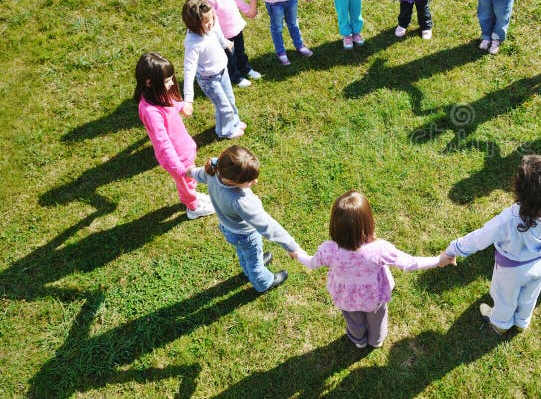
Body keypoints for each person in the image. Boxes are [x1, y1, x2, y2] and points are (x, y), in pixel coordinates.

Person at [292, 191, 453, 348]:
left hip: (345, 297)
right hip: (374, 297)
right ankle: (376, 341)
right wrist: (438, 260)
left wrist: (298, 254)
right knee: (378, 320)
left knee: (354, 321)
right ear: (368, 223)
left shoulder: (328, 250)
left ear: (335, 225)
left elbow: (312, 263)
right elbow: (410, 263)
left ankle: (358, 340)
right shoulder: (379, 249)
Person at [445, 155, 541, 334]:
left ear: (520, 190)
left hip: (510, 271)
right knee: (529, 297)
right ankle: (521, 322)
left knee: (505, 299)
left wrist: (453, 249)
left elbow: (479, 238)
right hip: (539, 265)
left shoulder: (508, 220)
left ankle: (501, 324)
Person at [188, 145, 300, 293]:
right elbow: (268, 226)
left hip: (228, 229)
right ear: (231, 181)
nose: (255, 182)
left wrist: (187, 172)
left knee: (244, 254)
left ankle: (248, 269)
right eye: (250, 181)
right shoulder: (241, 201)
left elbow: (197, 173)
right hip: (246, 235)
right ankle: (264, 282)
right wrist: (292, 247)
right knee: (254, 263)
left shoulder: (214, 171)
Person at [134, 52, 214, 219]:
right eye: (167, 81)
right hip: (177, 159)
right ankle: (192, 207)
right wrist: (178, 168)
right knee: (185, 184)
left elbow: (169, 104)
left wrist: (180, 106)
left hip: (184, 151)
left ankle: (192, 195)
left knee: (189, 182)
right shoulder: (150, 111)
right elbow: (163, 142)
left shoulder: (157, 96)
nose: (171, 84)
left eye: (171, 78)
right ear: (149, 82)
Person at [181, 0, 244, 139]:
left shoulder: (212, 25)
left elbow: (217, 34)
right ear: (194, 24)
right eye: (206, 22)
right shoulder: (193, 43)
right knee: (224, 107)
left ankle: (234, 122)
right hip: (209, 80)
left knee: (230, 99)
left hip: (223, 71)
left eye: (212, 19)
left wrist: (225, 43)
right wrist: (188, 98)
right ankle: (224, 131)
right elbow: (189, 70)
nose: (211, 23)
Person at [197, 0, 261, 88]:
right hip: (224, 35)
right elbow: (212, 21)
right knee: (230, 58)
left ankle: (246, 68)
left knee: (240, 51)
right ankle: (236, 77)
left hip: (235, 26)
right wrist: (222, 39)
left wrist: (247, 10)